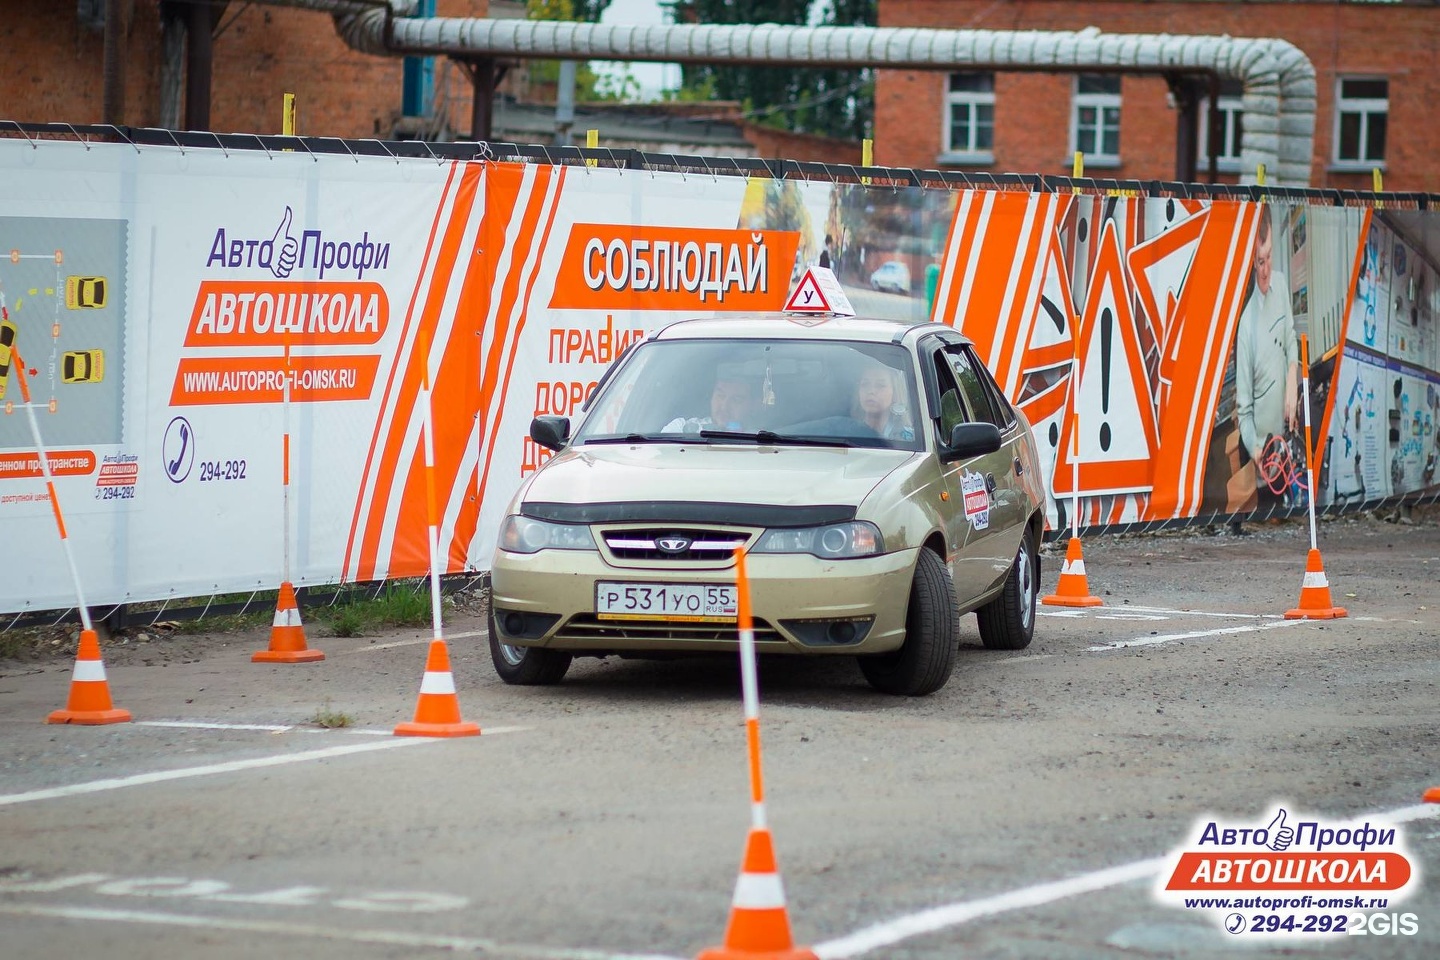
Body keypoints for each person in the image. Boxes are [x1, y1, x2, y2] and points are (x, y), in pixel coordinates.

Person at [1234, 204, 1300, 510]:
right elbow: (1244, 409)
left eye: (1270, 256)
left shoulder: (1283, 283)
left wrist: (1292, 379)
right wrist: (1257, 450)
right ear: (1249, 263)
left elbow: (1290, 340)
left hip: (1286, 438)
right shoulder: (1245, 325)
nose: (1266, 270)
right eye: (1259, 261)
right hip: (1264, 454)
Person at [663, 374, 762, 433]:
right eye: (720, 396)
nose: (724, 406)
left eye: (736, 400)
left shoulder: (766, 438)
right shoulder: (681, 429)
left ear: (754, 405)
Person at [851, 360, 914, 441]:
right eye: (865, 384)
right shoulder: (844, 433)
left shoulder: (909, 439)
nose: (871, 391)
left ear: (895, 392)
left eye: (880, 385)